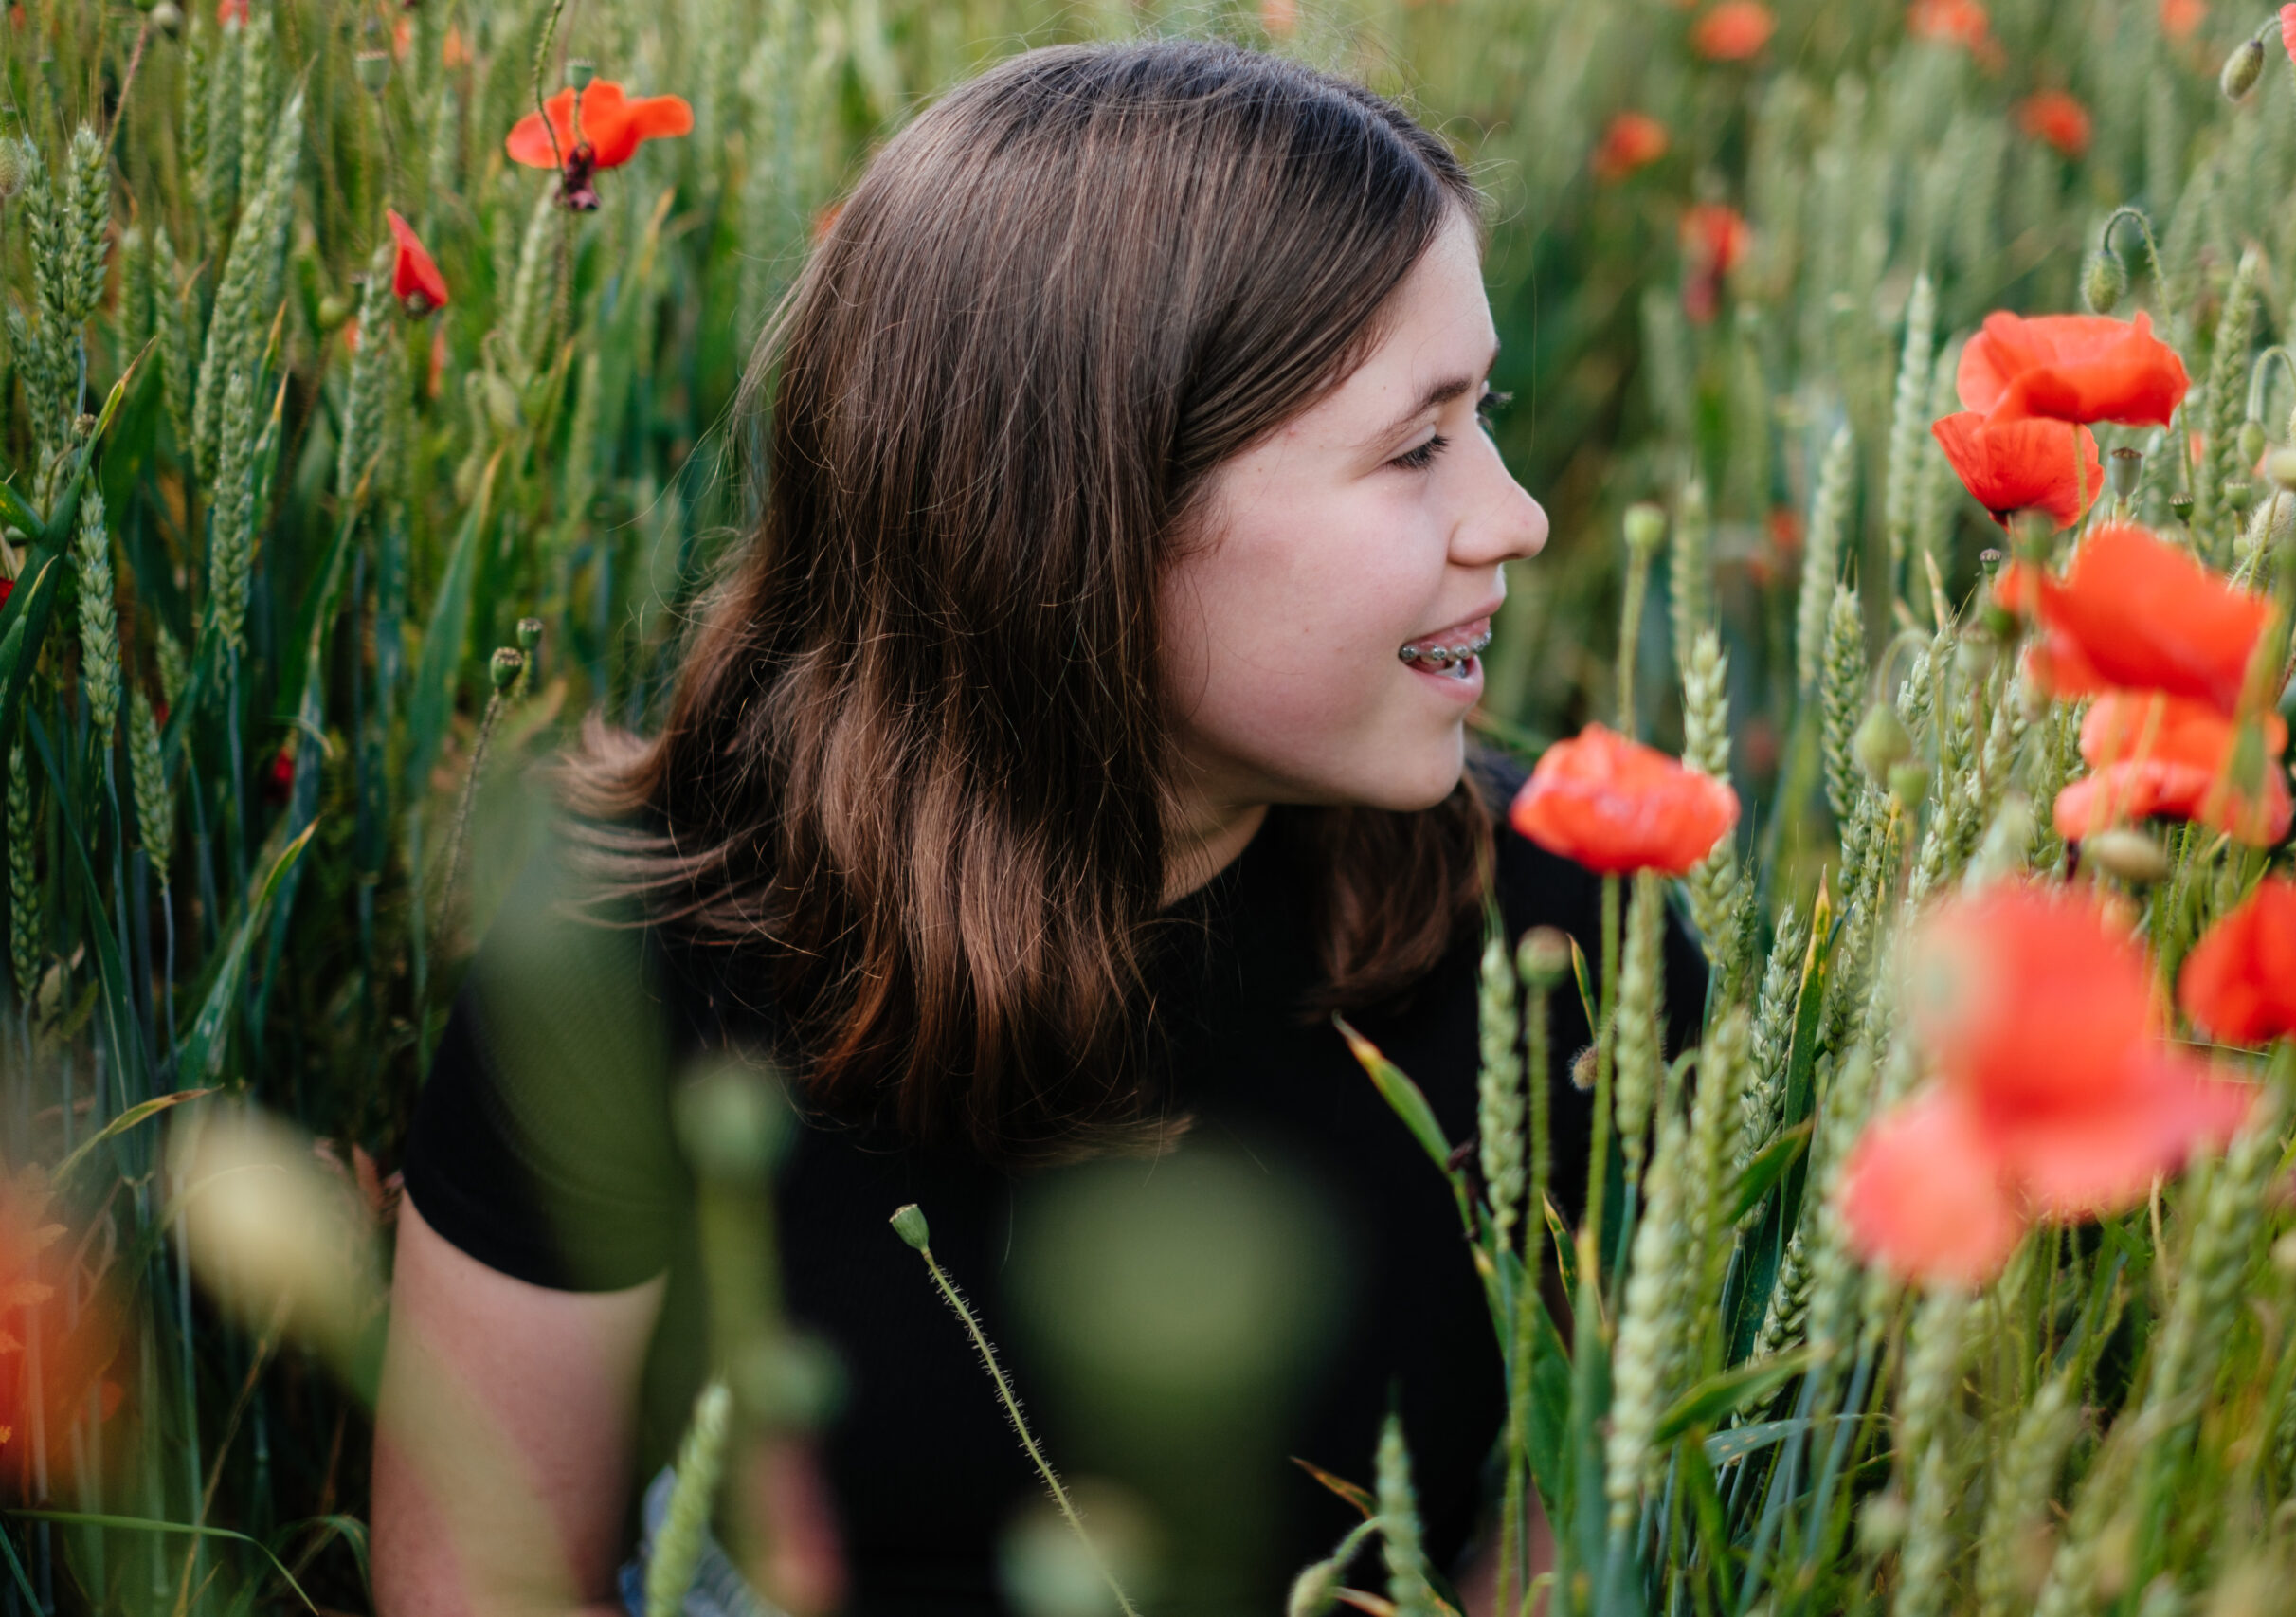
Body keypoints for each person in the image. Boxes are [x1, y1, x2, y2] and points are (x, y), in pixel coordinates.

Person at [370, 36, 1708, 1617]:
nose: (1515, 513)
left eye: (1484, 413)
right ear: (1090, 501)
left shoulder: (1564, 924)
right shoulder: (635, 956)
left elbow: (1562, 1543)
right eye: (1416, 446)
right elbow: (482, 1583)